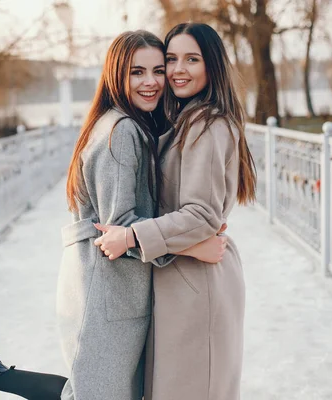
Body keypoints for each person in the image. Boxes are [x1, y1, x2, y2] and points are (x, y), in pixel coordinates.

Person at [0, 30, 226, 400]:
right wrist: (193, 247)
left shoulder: (123, 124)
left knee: (91, 392)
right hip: (107, 291)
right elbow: (117, 231)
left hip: (113, 290)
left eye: (156, 70)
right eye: (137, 72)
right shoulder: (121, 132)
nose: (151, 82)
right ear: (116, 74)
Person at [94, 22, 257, 400]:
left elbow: (202, 216)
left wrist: (133, 235)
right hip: (182, 274)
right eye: (171, 59)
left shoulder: (208, 126)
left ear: (211, 66)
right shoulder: (183, 122)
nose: (178, 69)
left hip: (198, 287)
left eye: (192, 59)